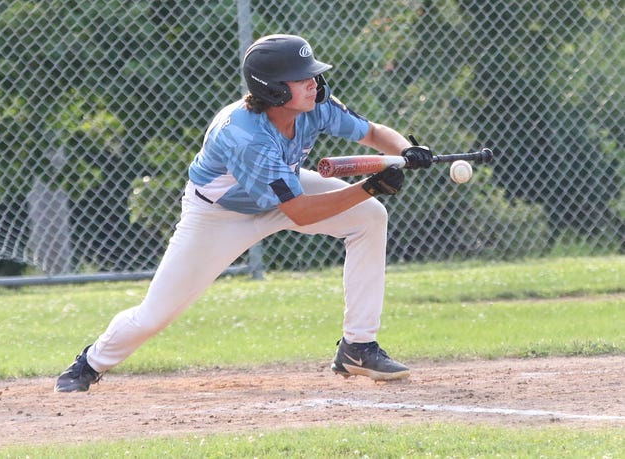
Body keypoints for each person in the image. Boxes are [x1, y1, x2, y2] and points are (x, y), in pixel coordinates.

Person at [55, 34, 432, 392]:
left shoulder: (315, 108)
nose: (314, 83)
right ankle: (91, 363)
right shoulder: (244, 134)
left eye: (312, 74)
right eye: (301, 78)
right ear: (272, 89)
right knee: (156, 314)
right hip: (220, 216)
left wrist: (406, 149)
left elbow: (373, 133)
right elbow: (299, 211)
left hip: (284, 188)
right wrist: (368, 187)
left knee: (369, 217)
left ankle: (358, 347)